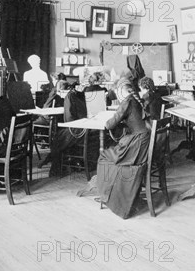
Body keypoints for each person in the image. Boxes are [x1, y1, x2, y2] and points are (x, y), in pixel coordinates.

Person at [97, 78, 150, 219]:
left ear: (121, 91)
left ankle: (106, 195)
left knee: (104, 155)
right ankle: (110, 193)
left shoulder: (127, 101)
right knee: (113, 152)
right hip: (144, 141)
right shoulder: (136, 99)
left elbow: (109, 125)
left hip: (137, 143)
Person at [38, 82, 88, 176]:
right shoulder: (81, 96)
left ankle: (54, 169)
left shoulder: (70, 97)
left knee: (58, 138)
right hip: (85, 127)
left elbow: (69, 120)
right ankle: (52, 162)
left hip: (79, 129)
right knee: (60, 137)